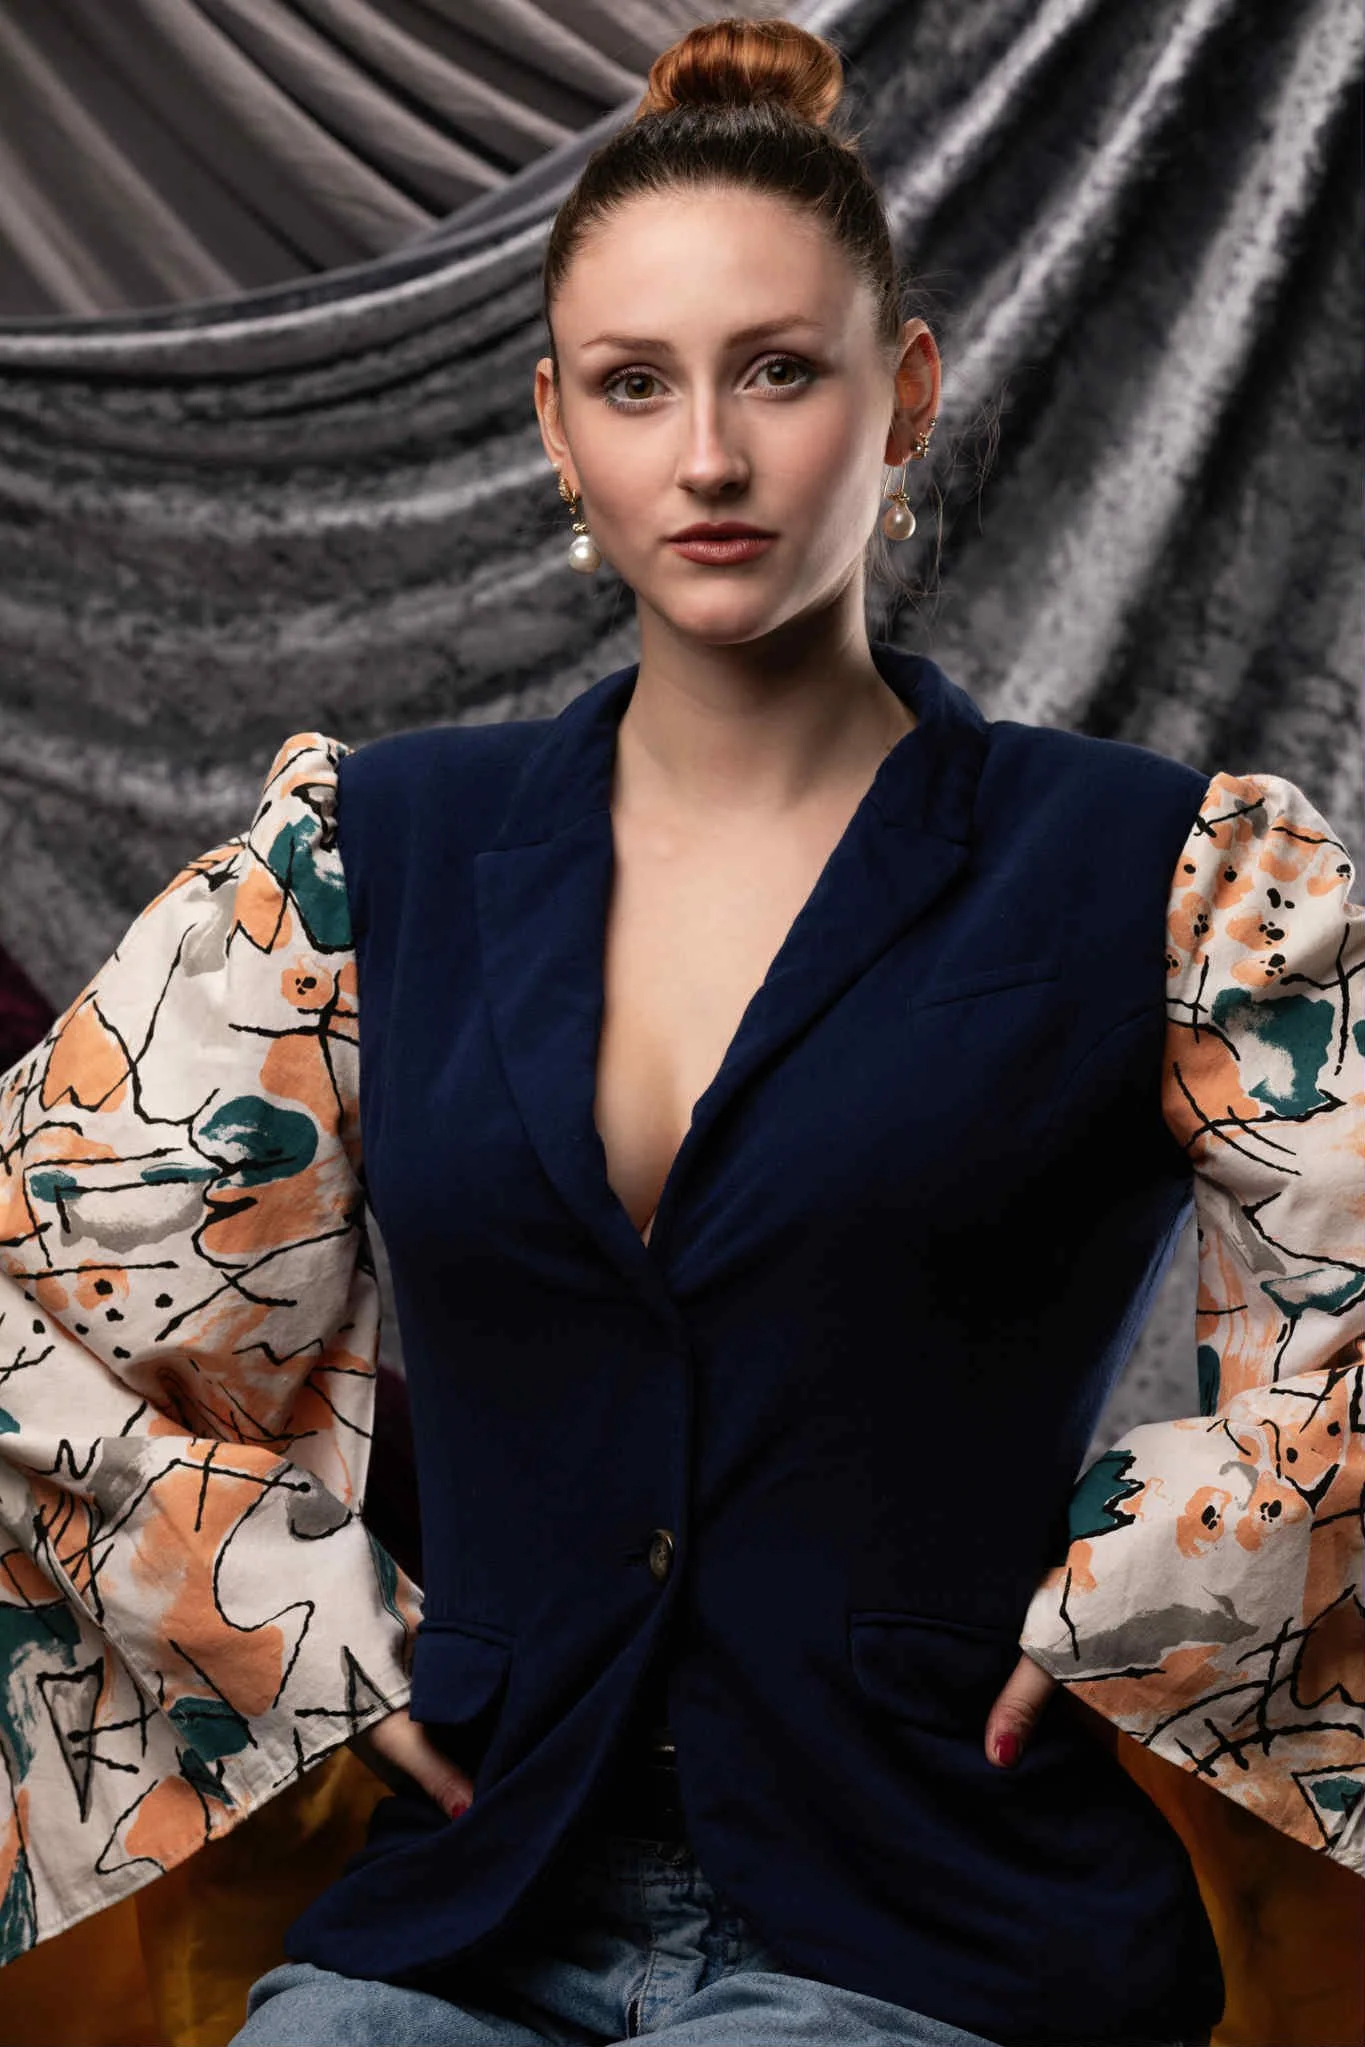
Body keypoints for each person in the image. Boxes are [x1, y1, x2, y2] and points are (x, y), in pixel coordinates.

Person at [0, 17, 1358, 2047]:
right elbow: (43, 1284)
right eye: (637, 386)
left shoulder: (1155, 868)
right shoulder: (372, 861)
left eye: (777, 373)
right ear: (557, 425)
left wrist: (1150, 1601)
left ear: (903, 399)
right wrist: (289, 1612)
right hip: (468, 1904)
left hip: (930, 1913)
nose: (706, 457)